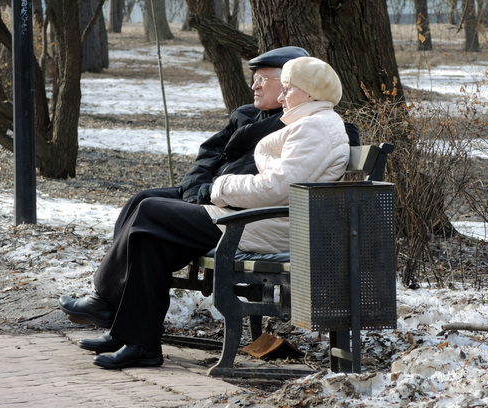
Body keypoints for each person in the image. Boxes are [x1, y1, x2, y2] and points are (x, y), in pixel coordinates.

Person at [58, 55, 351, 370]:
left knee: (149, 210)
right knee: (150, 239)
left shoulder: (315, 128)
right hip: (257, 217)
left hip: (267, 224)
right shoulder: (309, 123)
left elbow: (275, 188)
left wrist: (219, 187)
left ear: (310, 93)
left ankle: (107, 305)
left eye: (288, 89)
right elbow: (275, 180)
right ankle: (138, 341)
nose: (281, 97)